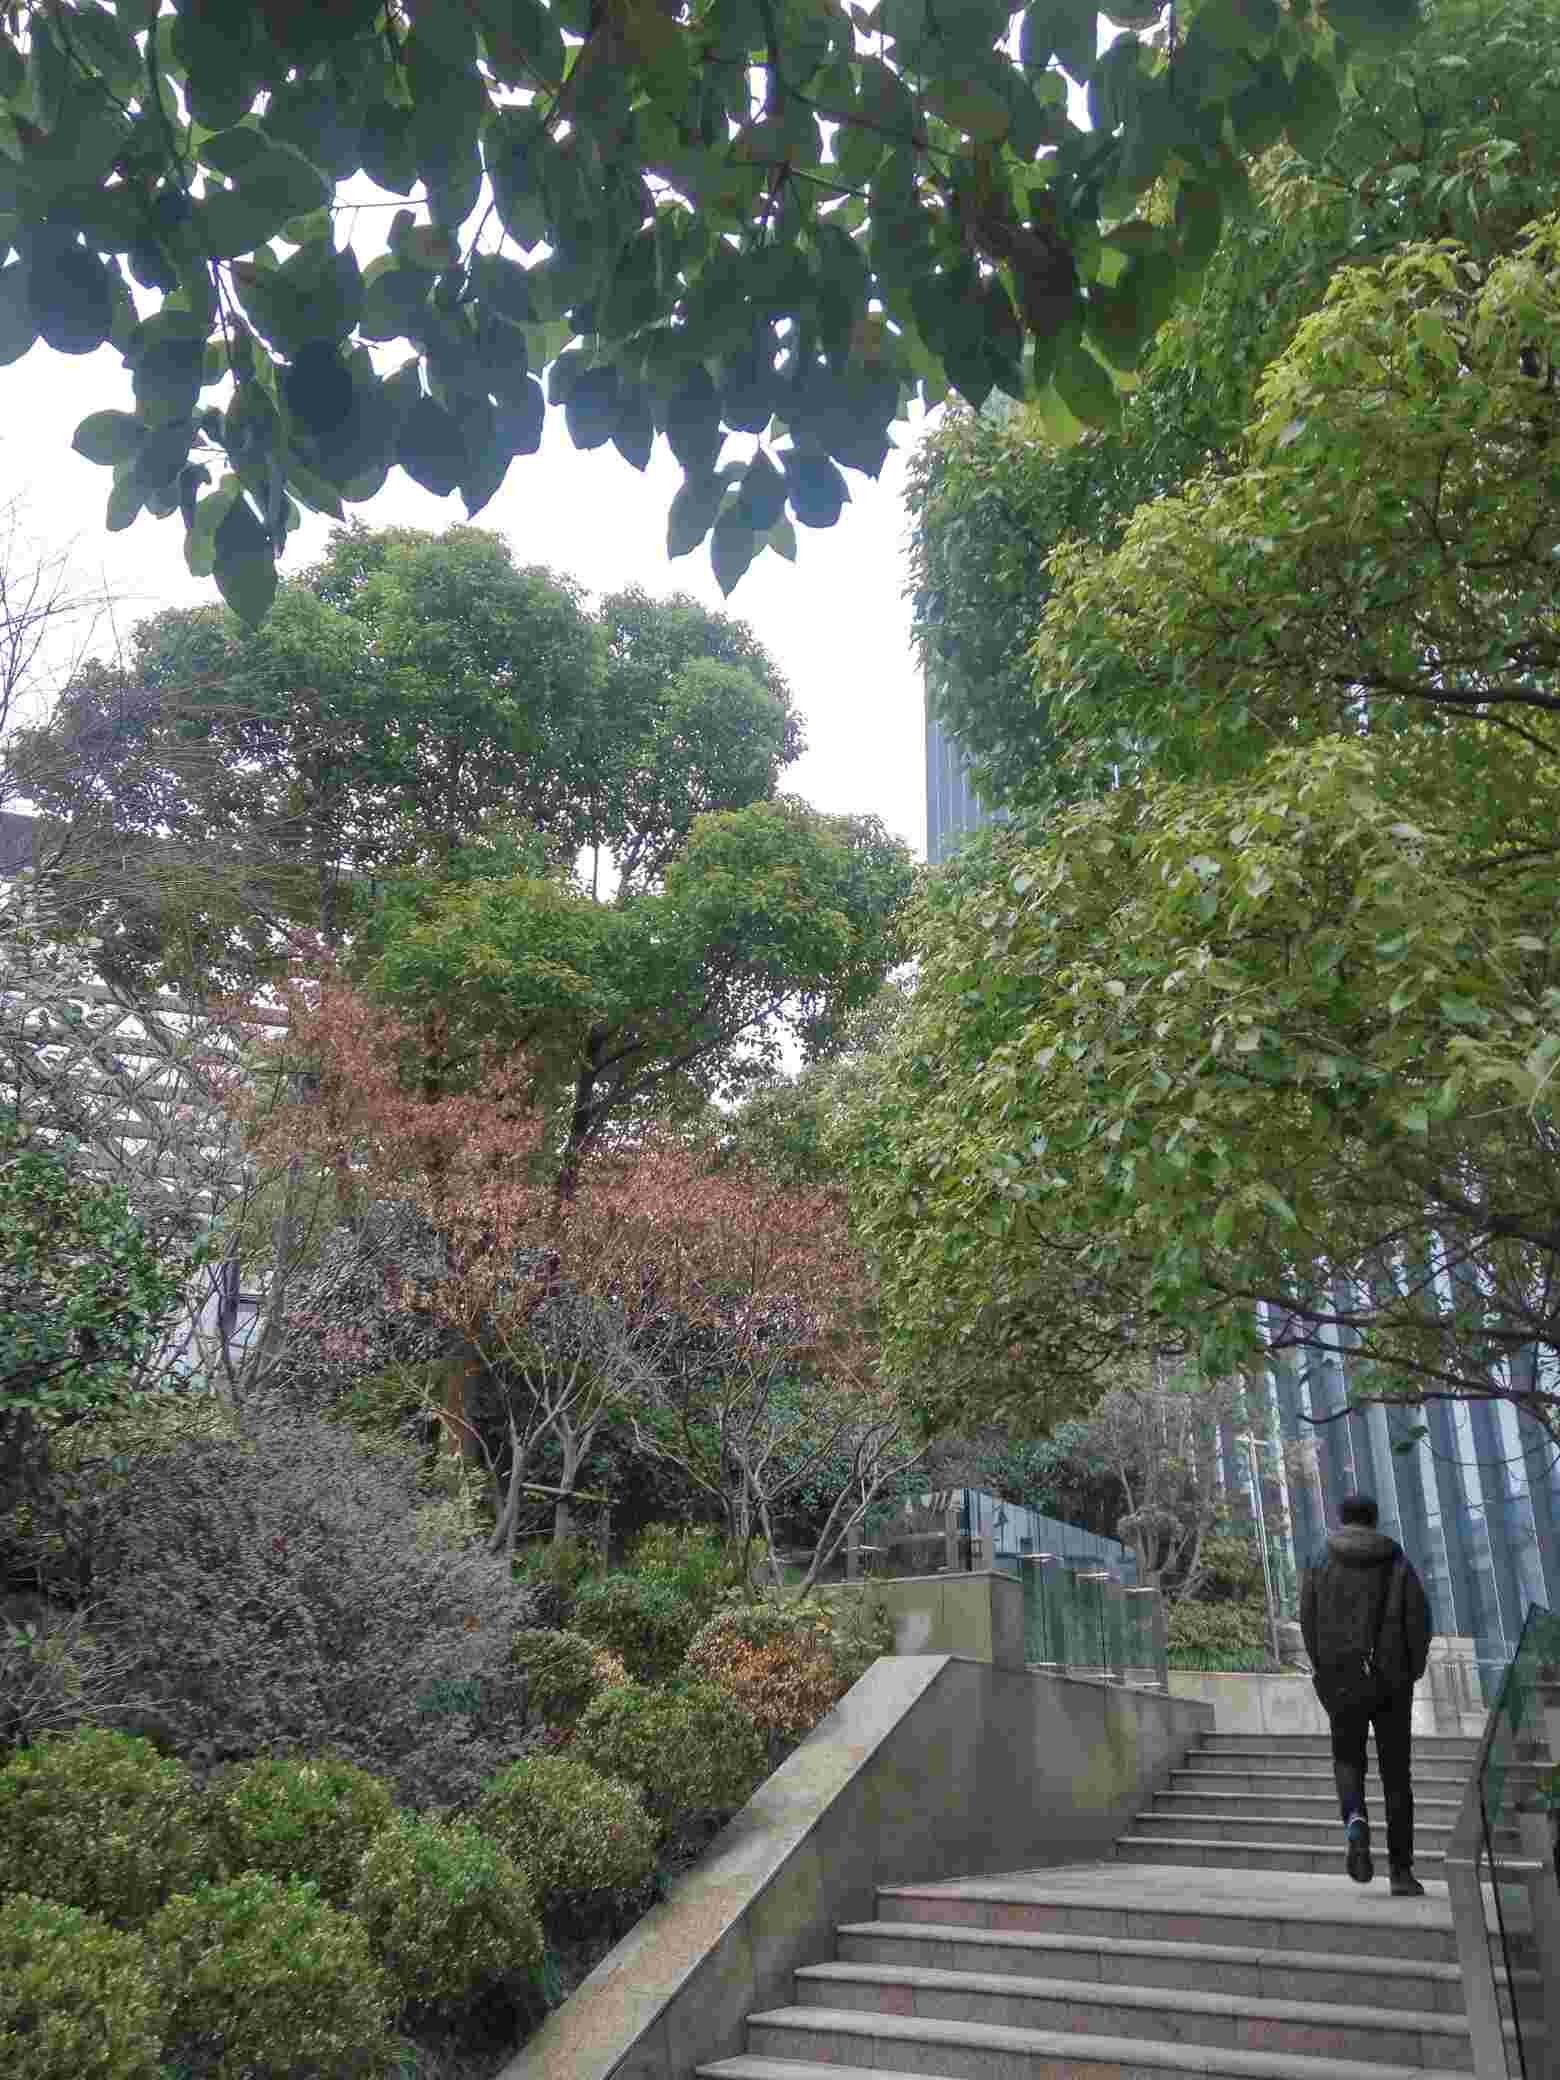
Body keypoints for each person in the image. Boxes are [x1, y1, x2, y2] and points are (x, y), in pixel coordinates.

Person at [1300, 1493, 1432, 1897]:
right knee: (1396, 1775)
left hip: (1341, 1680)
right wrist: (1411, 1669)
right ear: (1375, 1519)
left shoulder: (1320, 1560)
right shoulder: (1396, 1560)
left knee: (1347, 1760)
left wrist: (1323, 1668)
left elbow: (1307, 1619)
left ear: (1342, 1519)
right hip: (1391, 1681)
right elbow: (1419, 1620)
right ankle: (1401, 1871)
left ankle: (1355, 1823)